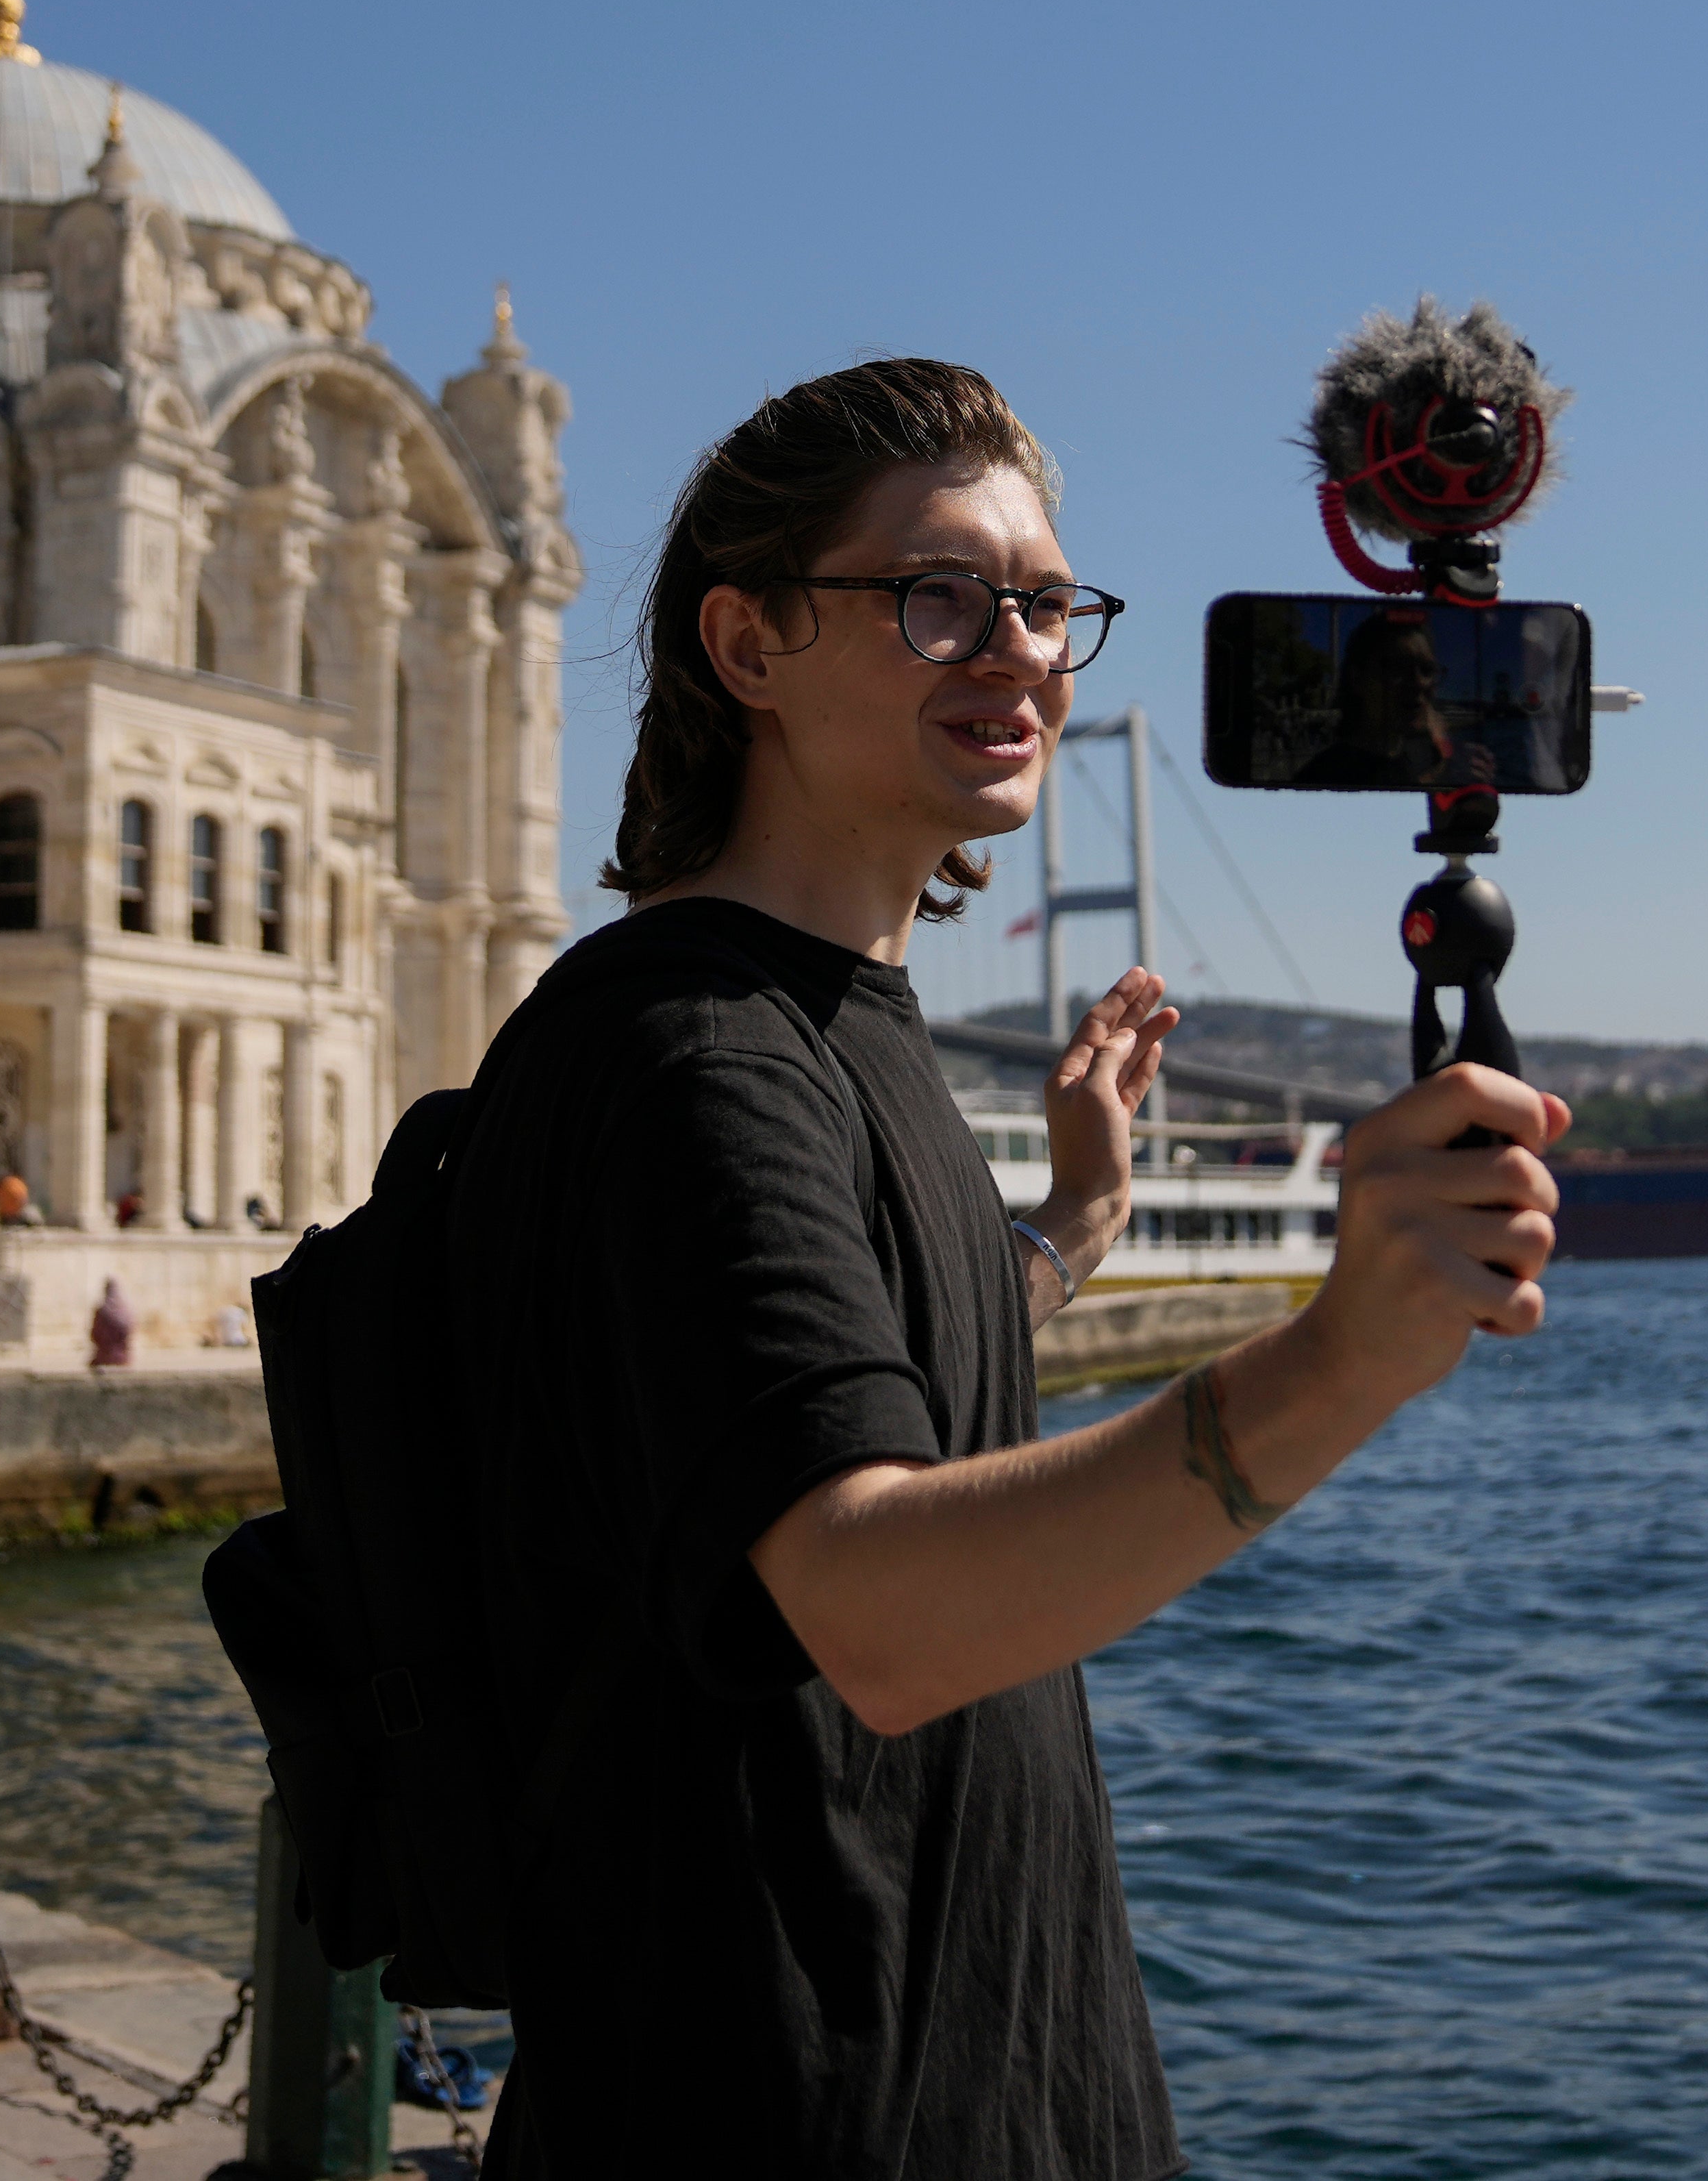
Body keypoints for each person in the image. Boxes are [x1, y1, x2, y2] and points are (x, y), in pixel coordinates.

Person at [447, 360, 1565, 2179]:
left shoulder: (826, 1026)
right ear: (748, 643)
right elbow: (872, 1607)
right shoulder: (691, 1056)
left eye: (1047, 601)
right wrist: (1337, 1357)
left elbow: (788, 1392)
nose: (1019, 650)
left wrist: (1057, 1233)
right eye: (938, 594)